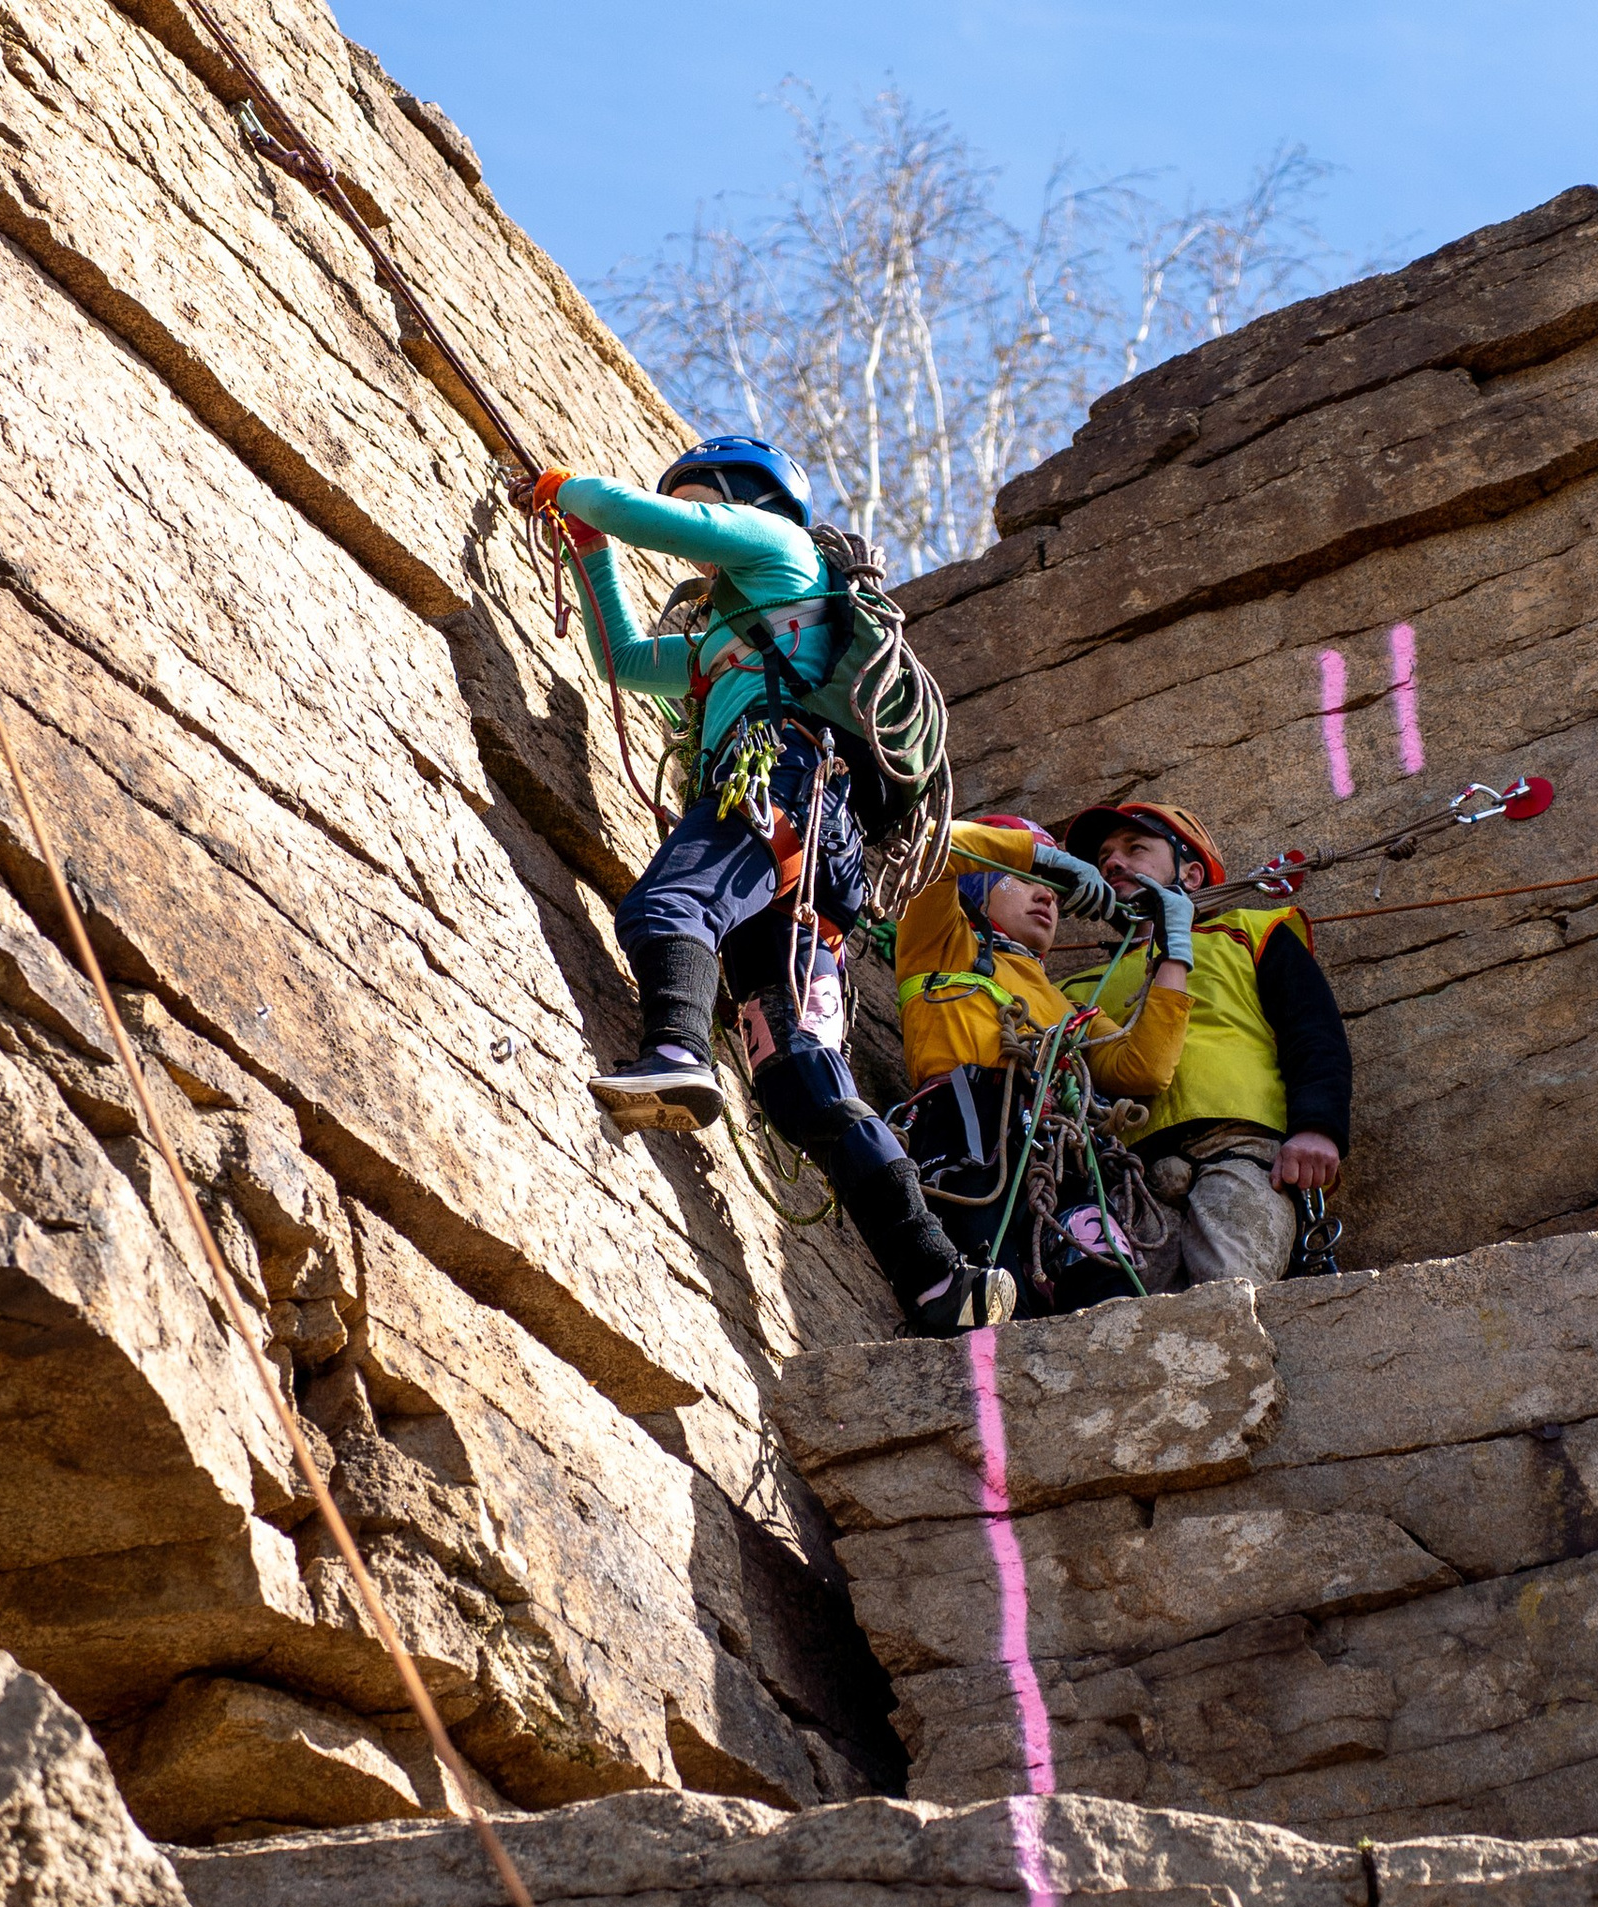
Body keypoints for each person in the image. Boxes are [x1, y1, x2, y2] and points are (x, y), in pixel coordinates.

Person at [513, 434, 1009, 1335]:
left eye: (711, 499)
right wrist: (590, 553)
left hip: (781, 779)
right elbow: (624, 660)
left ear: (752, 500)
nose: (708, 526)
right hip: (822, 857)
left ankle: (675, 1053)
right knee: (798, 1075)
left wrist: (579, 493)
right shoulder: (724, 637)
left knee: (671, 905)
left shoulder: (782, 551)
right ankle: (938, 1274)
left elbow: (657, 520)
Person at [891, 812, 1192, 1318]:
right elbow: (931, 848)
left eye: (1053, 887)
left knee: (1106, 1293)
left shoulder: (1066, 1005)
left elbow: (1144, 1069)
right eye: (1028, 881)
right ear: (977, 887)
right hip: (972, 1127)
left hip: (1062, 1150)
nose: (1048, 894)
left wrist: (1174, 951)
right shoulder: (940, 943)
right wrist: (1043, 856)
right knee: (995, 1291)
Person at [1064, 798, 1351, 1285]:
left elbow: (1313, 1033)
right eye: (1105, 857)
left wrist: (1317, 1129)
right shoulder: (1074, 991)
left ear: (1192, 875)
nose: (1113, 862)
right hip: (1130, 1174)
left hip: (1245, 1149)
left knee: (1230, 1289)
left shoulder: (1249, 934)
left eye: (1136, 848)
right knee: (1124, 1316)